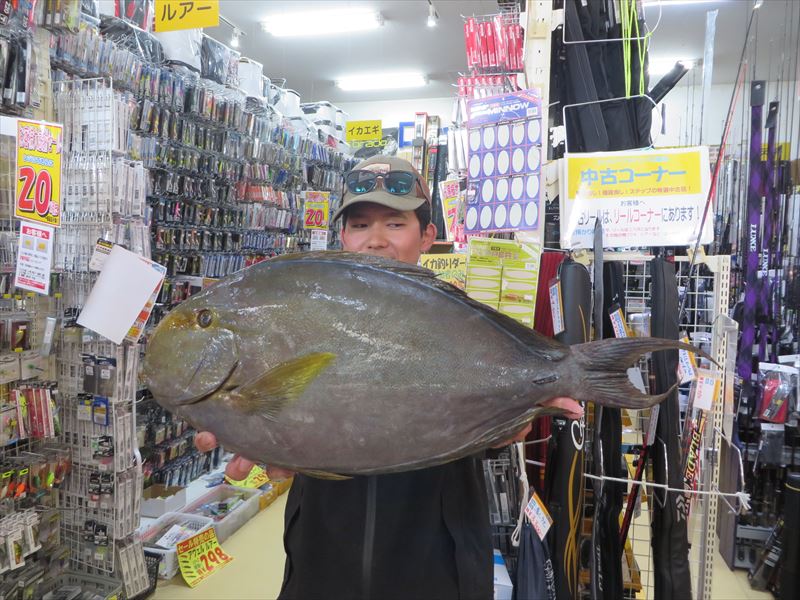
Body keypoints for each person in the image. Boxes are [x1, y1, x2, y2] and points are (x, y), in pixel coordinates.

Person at [195, 155, 583, 599]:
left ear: (427, 236)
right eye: (360, 225)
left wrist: (504, 425)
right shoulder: (304, 315)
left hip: (440, 568)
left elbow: (485, 427)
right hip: (320, 562)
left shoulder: (461, 319)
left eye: (395, 224)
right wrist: (252, 424)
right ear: (342, 236)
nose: (375, 240)